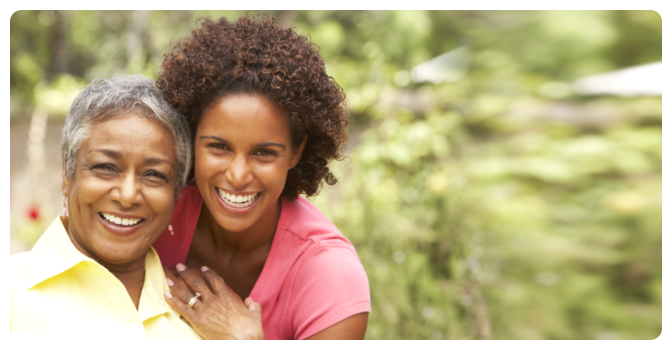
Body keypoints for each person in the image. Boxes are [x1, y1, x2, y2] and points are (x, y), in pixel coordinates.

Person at [153, 15, 371, 340]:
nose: (238, 176)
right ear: (191, 138)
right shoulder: (157, 215)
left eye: (264, 153)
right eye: (219, 147)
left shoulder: (329, 276)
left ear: (296, 151)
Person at [9, 76, 262, 339]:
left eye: (153, 174)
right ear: (67, 174)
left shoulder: (210, 318)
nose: (128, 196)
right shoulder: (11, 293)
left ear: (176, 192)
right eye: (105, 167)